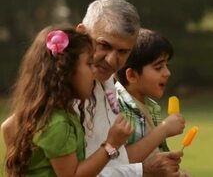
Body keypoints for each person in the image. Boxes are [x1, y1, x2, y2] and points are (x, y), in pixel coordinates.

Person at [1, 26, 133, 177]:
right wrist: (111, 144)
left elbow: (7, 126)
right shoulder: (57, 123)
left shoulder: (47, 114)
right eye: (89, 64)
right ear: (66, 70)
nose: (94, 71)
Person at [76, 0, 183, 177]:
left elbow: (114, 160)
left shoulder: (107, 83)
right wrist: (144, 170)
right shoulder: (63, 90)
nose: (111, 60)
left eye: (123, 51)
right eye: (104, 45)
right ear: (82, 34)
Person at [115, 28, 190, 176]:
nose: (167, 73)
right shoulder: (117, 107)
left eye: (166, 65)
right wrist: (163, 130)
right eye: (158, 67)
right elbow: (119, 160)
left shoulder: (151, 107)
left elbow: (154, 157)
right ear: (131, 75)